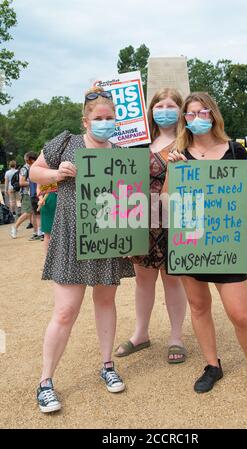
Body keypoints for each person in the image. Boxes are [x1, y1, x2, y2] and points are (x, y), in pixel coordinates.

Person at [166, 92, 247, 399]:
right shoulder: (179, 154)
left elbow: (243, 201)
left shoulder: (235, 151)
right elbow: (166, 201)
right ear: (184, 120)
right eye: (190, 114)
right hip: (190, 243)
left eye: (203, 113)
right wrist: (172, 170)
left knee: (240, 314)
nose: (197, 119)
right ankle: (212, 365)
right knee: (199, 306)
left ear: (213, 115)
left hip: (226, 243)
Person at [29, 86, 135, 414]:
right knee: (65, 312)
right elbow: (34, 173)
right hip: (71, 238)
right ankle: (45, 382)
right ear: (85, 120)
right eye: (98, 118)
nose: (104, 122)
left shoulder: (122, 153)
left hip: (107, 239)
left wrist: (130, 236)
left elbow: (131, 201)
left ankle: (107, 365)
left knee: (105, 301)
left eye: (110, 117)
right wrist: (55, 173)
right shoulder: (67, 143)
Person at [115, 88, 187, 363]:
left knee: (173, 280)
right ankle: (140, 334)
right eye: (160, 105)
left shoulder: (186, 142)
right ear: (151, 109)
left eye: (171, 105)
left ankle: (176, 336)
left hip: (172, 219)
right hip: (141, 219)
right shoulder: (138, 142)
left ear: (180, 110)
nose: (165, 110)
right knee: (143, 281)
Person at [10, 152, 37, 238]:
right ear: (28, 160)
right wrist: (34, 182)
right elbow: (21, 182)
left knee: (33, 213)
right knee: (28, 213)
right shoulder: (24, 169)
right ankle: (14, 227)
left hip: (32, 192)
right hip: (27, 193)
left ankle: (36, 232)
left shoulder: (32, 167)